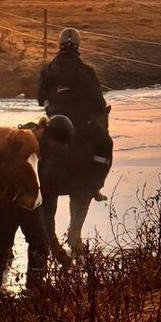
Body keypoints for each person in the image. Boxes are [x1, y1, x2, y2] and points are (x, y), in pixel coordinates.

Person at [36, 28, 110, 201]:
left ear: (60, 44)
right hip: (82, 122)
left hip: (53, 121)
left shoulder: (48, 70)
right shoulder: (85, 70)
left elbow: (40, 98)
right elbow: (99, 102)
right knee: (106, 144)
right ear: (78, 45)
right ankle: (95, 186)